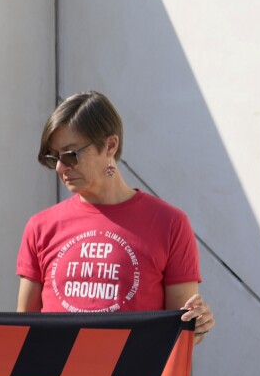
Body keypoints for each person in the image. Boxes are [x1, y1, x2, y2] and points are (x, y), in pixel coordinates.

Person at [17, 91, 214, 342]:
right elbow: (21, 331)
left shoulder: (170, 224)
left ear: (110, 145)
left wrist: (197, 326)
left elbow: (181, 333)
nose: (60, 167)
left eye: (70, 155)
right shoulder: (40, 227)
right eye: (53, 157)